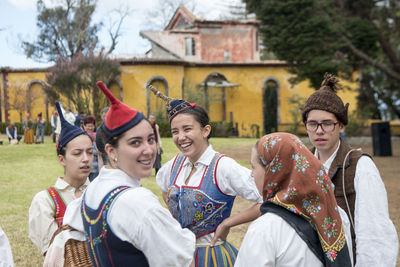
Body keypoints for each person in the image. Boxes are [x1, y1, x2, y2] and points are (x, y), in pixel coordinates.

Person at [59, 81, 195, 266]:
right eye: (135, 143)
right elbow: (180, 257)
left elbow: (72, 223)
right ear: (111, 151)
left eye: (150, 139)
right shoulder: (139, 203)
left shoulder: (93, 189)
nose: (148, 150)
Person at [149, 84, 262, 266]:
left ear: (205, 130)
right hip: (181, 255)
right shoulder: (173, 166)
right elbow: (164, 190)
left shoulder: (223, 167)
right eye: (175, 132)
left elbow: (266, 199)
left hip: (212, 256)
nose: (180, 137)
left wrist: (227, 223)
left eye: (187, 129)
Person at [301, 73, 398, 266]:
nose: (319, 130)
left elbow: (375, 236)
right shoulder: (302, 166)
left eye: (327, 123)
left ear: (341, 126)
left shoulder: (360, 167)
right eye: (312, 124)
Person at [235, 133, 353, 267]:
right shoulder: (337, 216)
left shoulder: (265, 229)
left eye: (254, 167)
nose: (252, 174)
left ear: (272, 172)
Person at [28, 102, 93, 255]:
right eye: (77, 153)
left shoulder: (100, 193)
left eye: (90, 152)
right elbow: (52, 252)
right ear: (61, 159)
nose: (86, 159)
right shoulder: (45, 201)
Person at [82, 115, 99, 181]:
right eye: (88, 126)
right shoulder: (81, 137)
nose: (90, 128)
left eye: (91, 126)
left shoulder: (97, 137)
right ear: (84, 126)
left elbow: (99, 152)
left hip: (95, 169)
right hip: (83, 169)